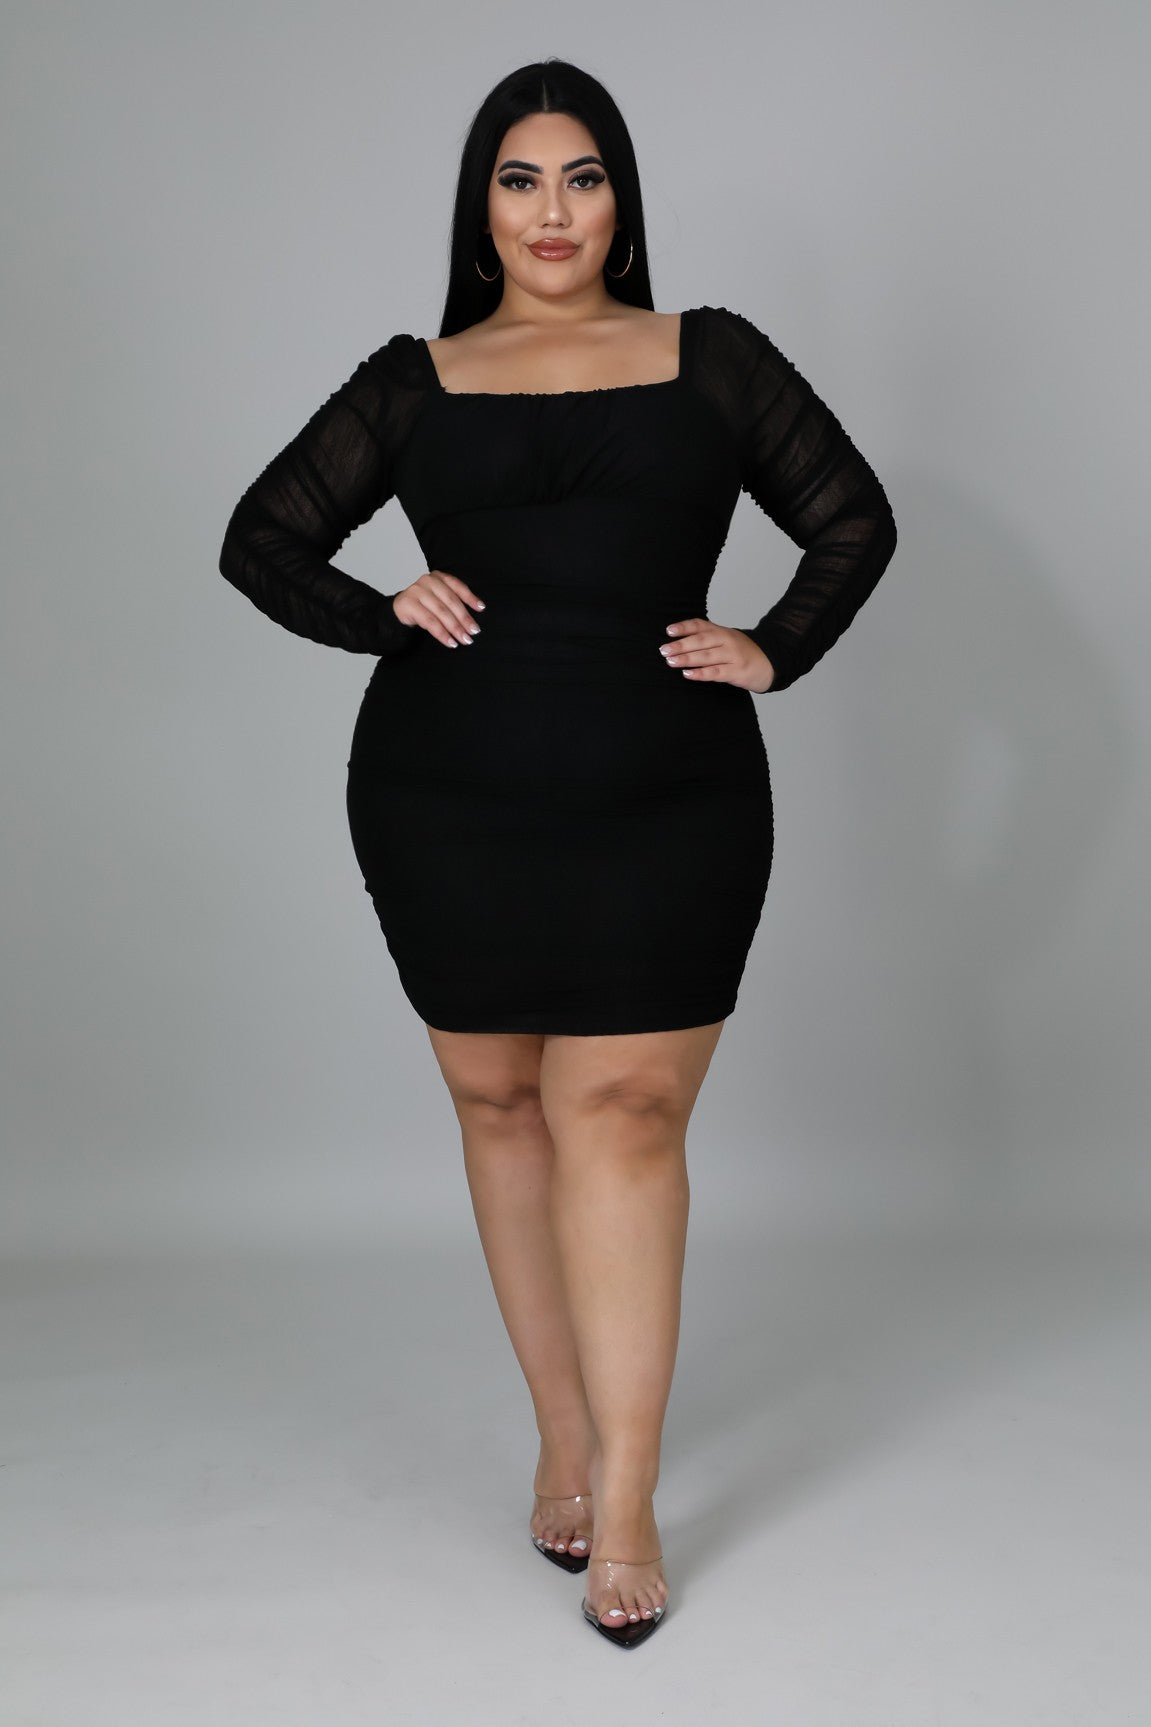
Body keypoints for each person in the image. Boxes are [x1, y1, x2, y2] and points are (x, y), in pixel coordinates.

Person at [218, 58, 897, 1647]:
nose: (551, 211)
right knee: (503, 1105)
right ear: (481, 209)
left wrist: (777, 646)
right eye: (519, 180)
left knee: (627, 1112)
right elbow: (262, 539)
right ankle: (565, 1435)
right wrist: (379, 609)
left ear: (621, 203)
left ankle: (633, 1498)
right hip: (444, 795)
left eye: (582, 178)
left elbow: (853, 519)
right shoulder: (416, 380)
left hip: (669, 796)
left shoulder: (712, 358)